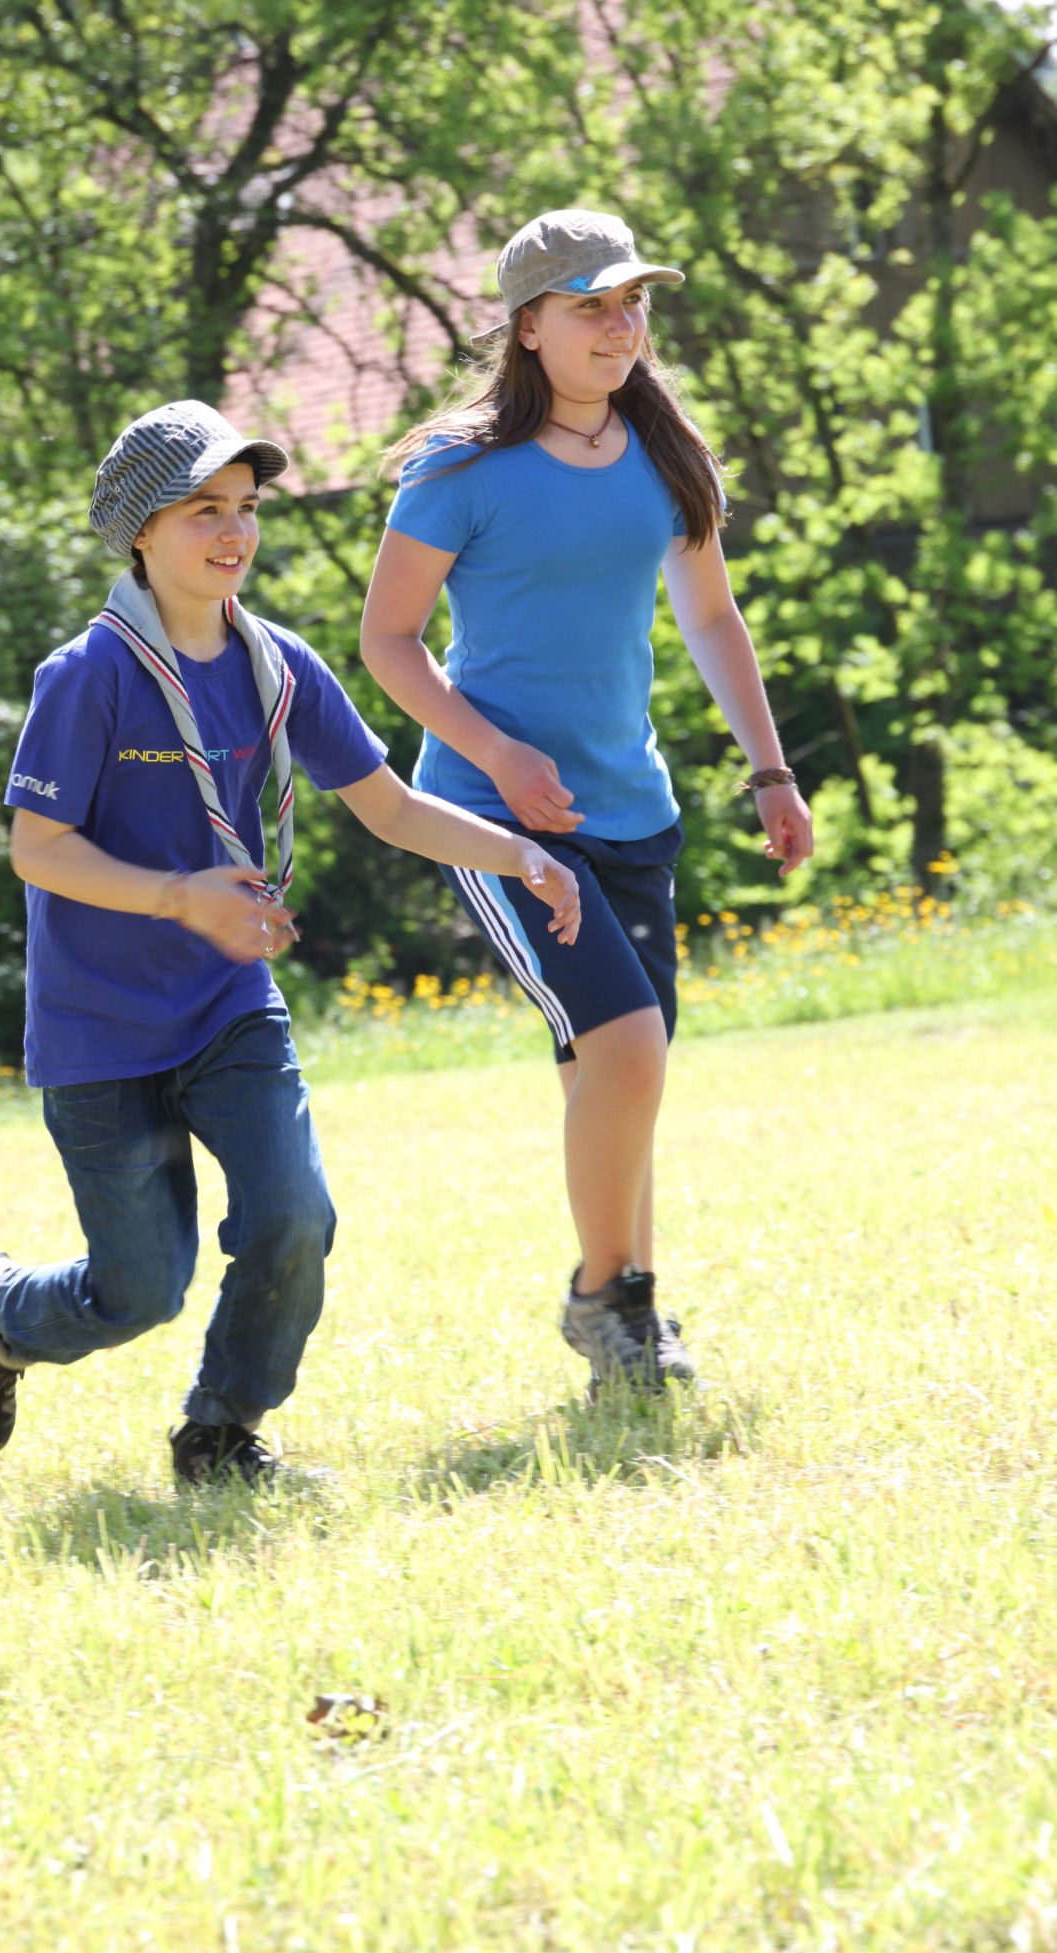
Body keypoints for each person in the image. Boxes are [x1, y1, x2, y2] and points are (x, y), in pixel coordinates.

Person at [0, 399, 581, 1483]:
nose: (233, 530)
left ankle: (221, 1432)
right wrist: (181, 896)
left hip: (229, 1007)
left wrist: (519, 853)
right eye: (203, 510)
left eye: (245, 507)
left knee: (292, 1216)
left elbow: (388, 806)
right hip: (99, 1028)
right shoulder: (87, 676)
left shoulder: (280, 666)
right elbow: (37, 850)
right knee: (139, 1290)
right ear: (141, 531)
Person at [360, 208, 813, 1395]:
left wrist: (769, 769)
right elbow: (389, 641)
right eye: (590, 307)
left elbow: (709, 615)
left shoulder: (664, 455)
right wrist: (498, 755)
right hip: (494, 814)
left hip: (631, 810)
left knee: (616, 1070)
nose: (620, 327)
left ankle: (632, 1320)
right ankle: (602, 1300)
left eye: (632, 303)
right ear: (528, 329)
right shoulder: (458, 470)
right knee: (627, 1048)